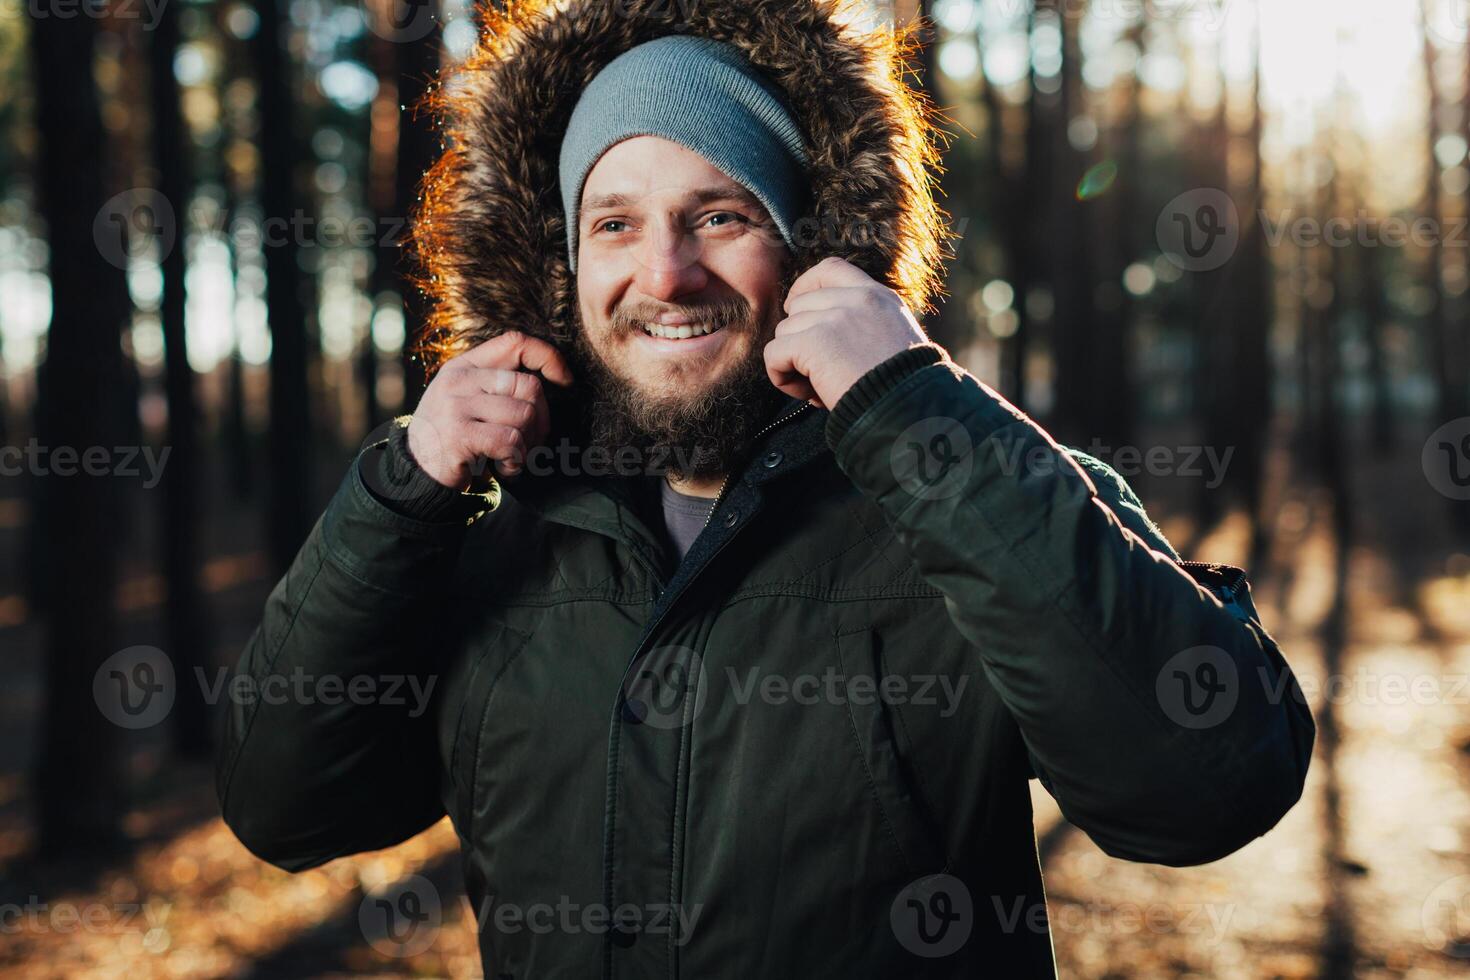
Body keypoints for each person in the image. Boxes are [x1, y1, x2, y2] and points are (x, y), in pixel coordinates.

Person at [215, 1, 1315, 976]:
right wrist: (399, 495)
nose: (666, 271)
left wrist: (913, 408)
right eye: (615, 223)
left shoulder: (971, 494)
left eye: (720, 214)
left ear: (813, 249)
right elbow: (286, 804)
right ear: (562, 267)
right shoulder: (485, 543)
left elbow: (1208, 786)